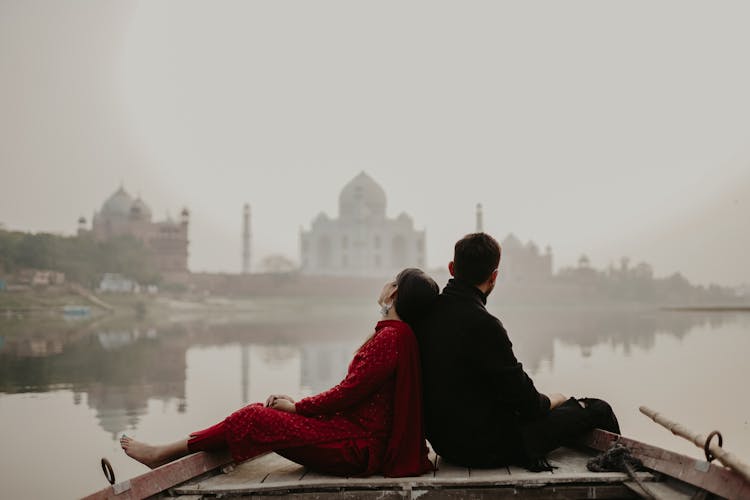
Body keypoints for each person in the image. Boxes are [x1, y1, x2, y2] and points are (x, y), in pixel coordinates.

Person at [121, 268, 438, 478]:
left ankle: (163, 453)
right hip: (352, 435)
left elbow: (348, 392)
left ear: (395, 292)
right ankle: (170, 452)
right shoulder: (396, 333)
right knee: (262, 412)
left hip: (360, 449)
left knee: (256, 418)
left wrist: (299, 408)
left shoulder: (391, 337)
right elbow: (351, 394)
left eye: (391, 281)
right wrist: (298, 406)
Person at [413, 233, 620, 470]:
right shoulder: (485, 325)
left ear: (451, 268)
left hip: (445, 445)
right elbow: (529, 405)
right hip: (488, 449)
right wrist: (558, 399)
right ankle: (619, 464)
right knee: (597, 409)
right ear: (494, 277)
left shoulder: (425, 315)